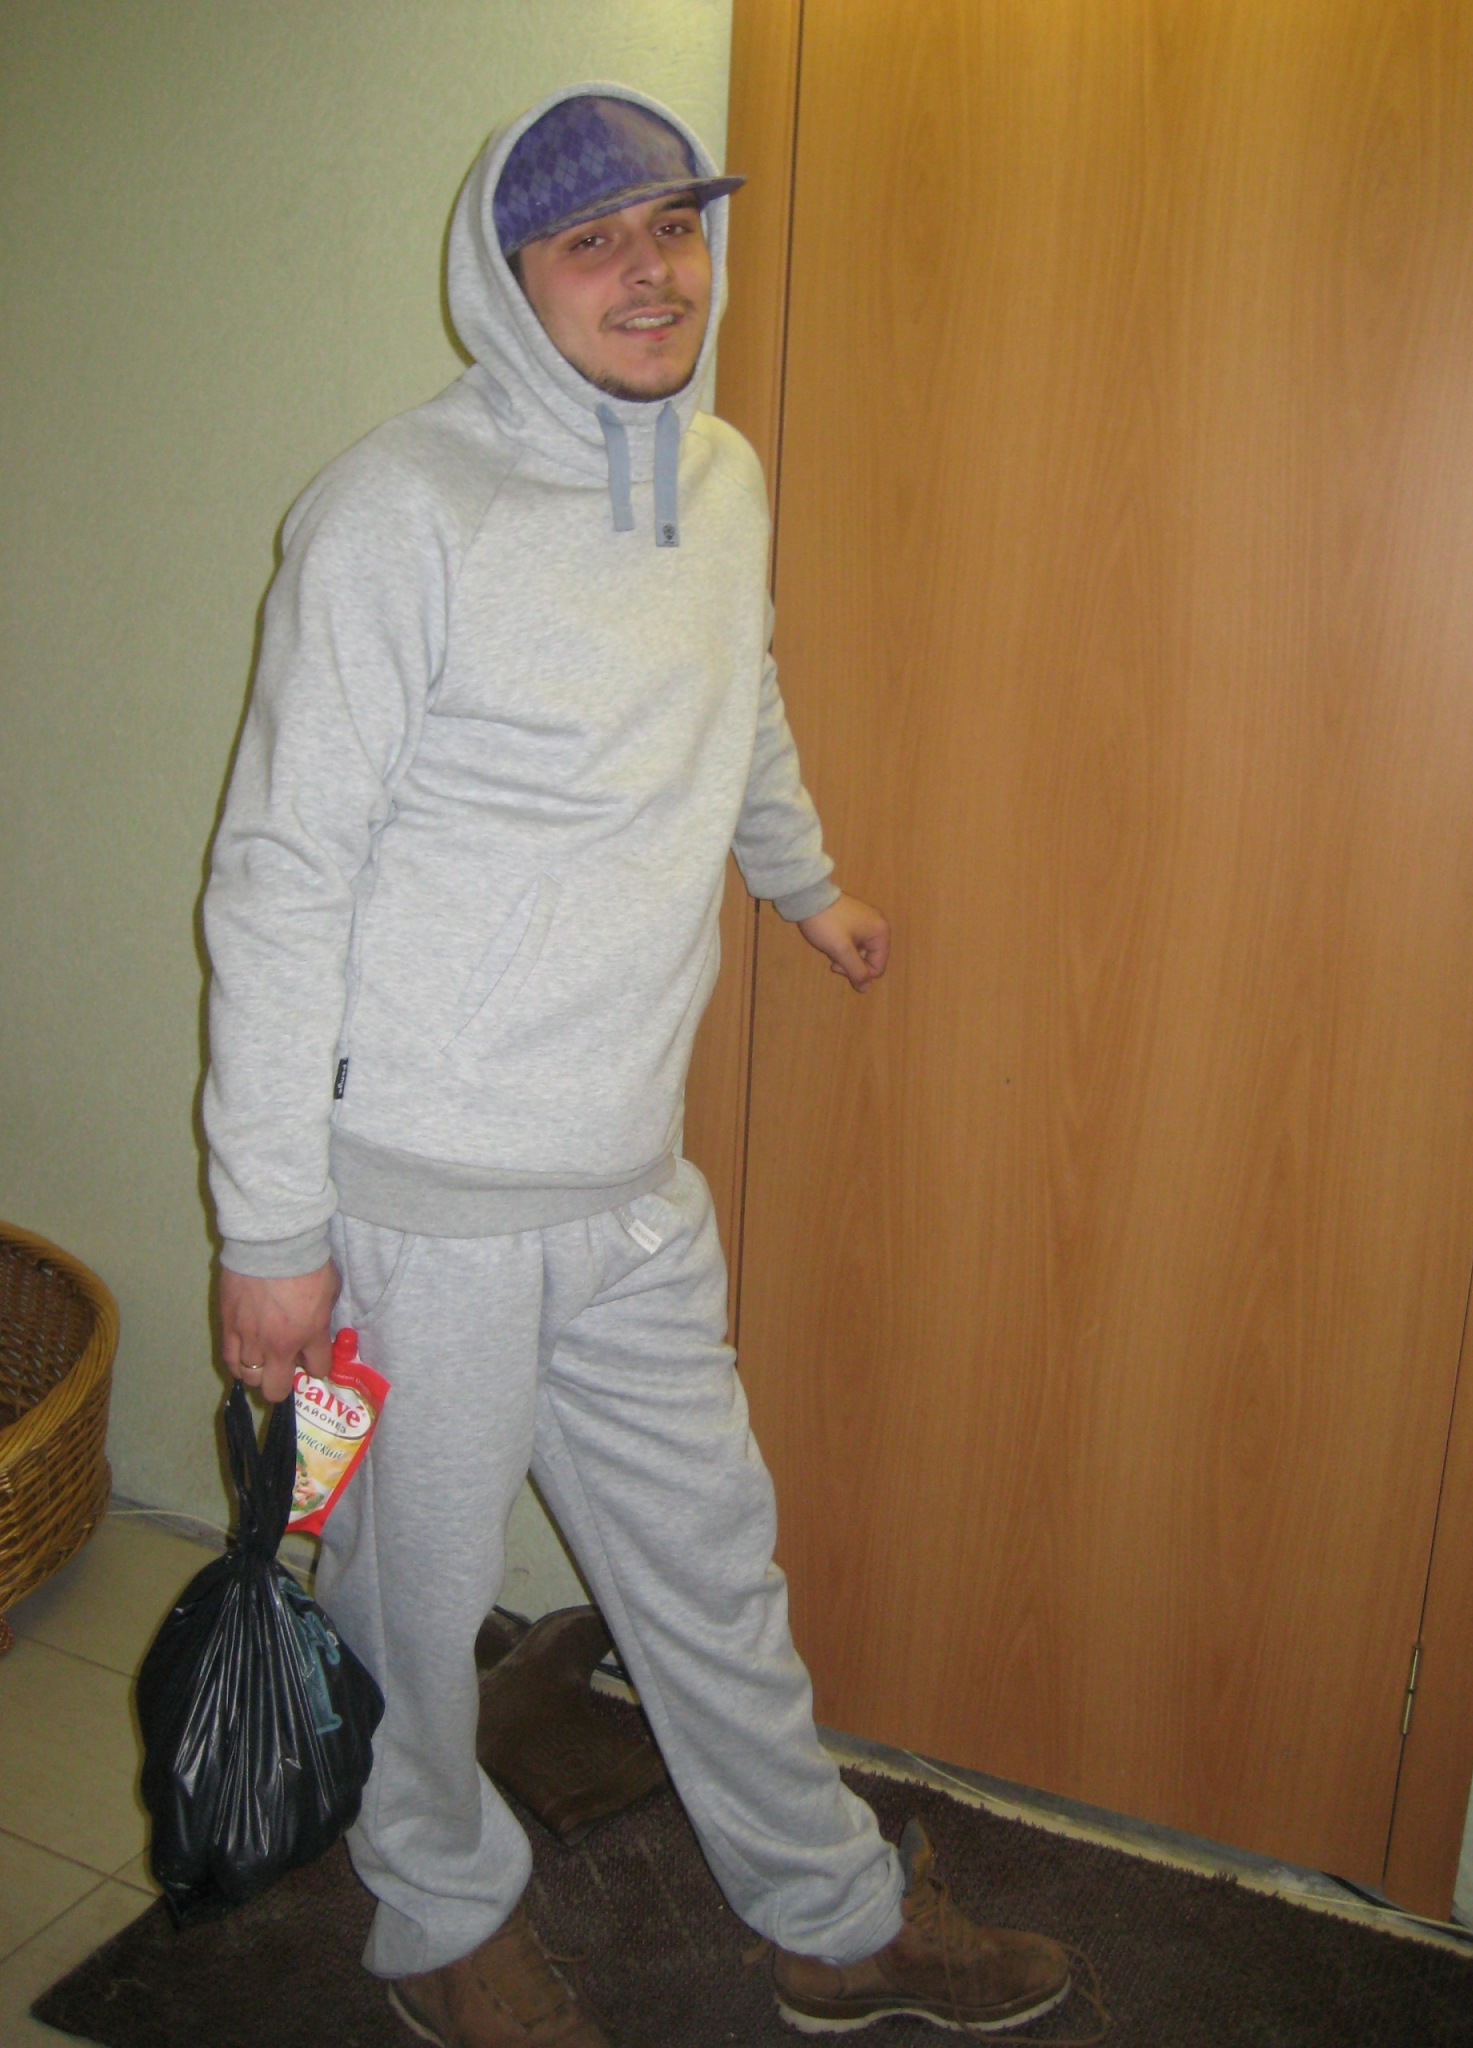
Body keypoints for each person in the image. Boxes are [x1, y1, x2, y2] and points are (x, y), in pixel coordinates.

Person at [203, 84, 1071, 2047]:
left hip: (623, 1186)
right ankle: (440, 1924)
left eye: (676, 223)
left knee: (709, 1569)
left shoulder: (723, 478)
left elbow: (734, 691)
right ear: (504, 278)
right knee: (408, 1609)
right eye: (591, 239)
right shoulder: (391, 515)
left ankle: (833, 1917)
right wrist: (270, 1233)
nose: (651, 268)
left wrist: (806, 882)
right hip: (412, 1209)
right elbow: (277, 876)